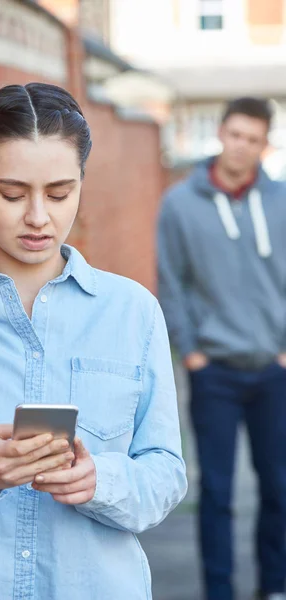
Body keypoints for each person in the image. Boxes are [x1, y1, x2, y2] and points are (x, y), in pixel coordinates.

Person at [0, 83, 187, 600]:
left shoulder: (132, 311)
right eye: (12, 193)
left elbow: (165, 474)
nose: (38, 217)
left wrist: (100, 483)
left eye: (59, 192)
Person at [158, 97, 286, 600]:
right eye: (235, 134)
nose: (241, 146)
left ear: (263, 145)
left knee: (278, 487)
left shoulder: (280, 201)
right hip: (213, 371)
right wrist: (190, 352)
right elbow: (172, 281)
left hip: (274, 370)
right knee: (217, 491)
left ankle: (275, 585)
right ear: (221, 134)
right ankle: (219, 590)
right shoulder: (180, 203)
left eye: (253, 139)